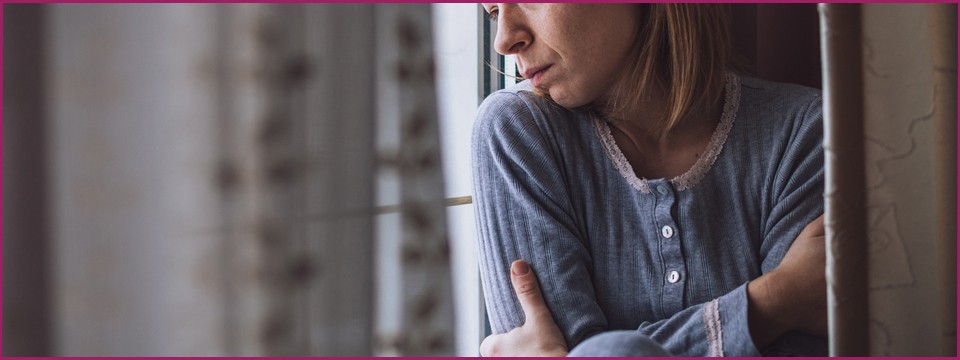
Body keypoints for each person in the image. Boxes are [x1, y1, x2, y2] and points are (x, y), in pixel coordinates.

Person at [471, 4, 828, 357]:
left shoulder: (806, 133)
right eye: (492, 12)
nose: (503, 39)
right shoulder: (517, 134)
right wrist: (776, 300)